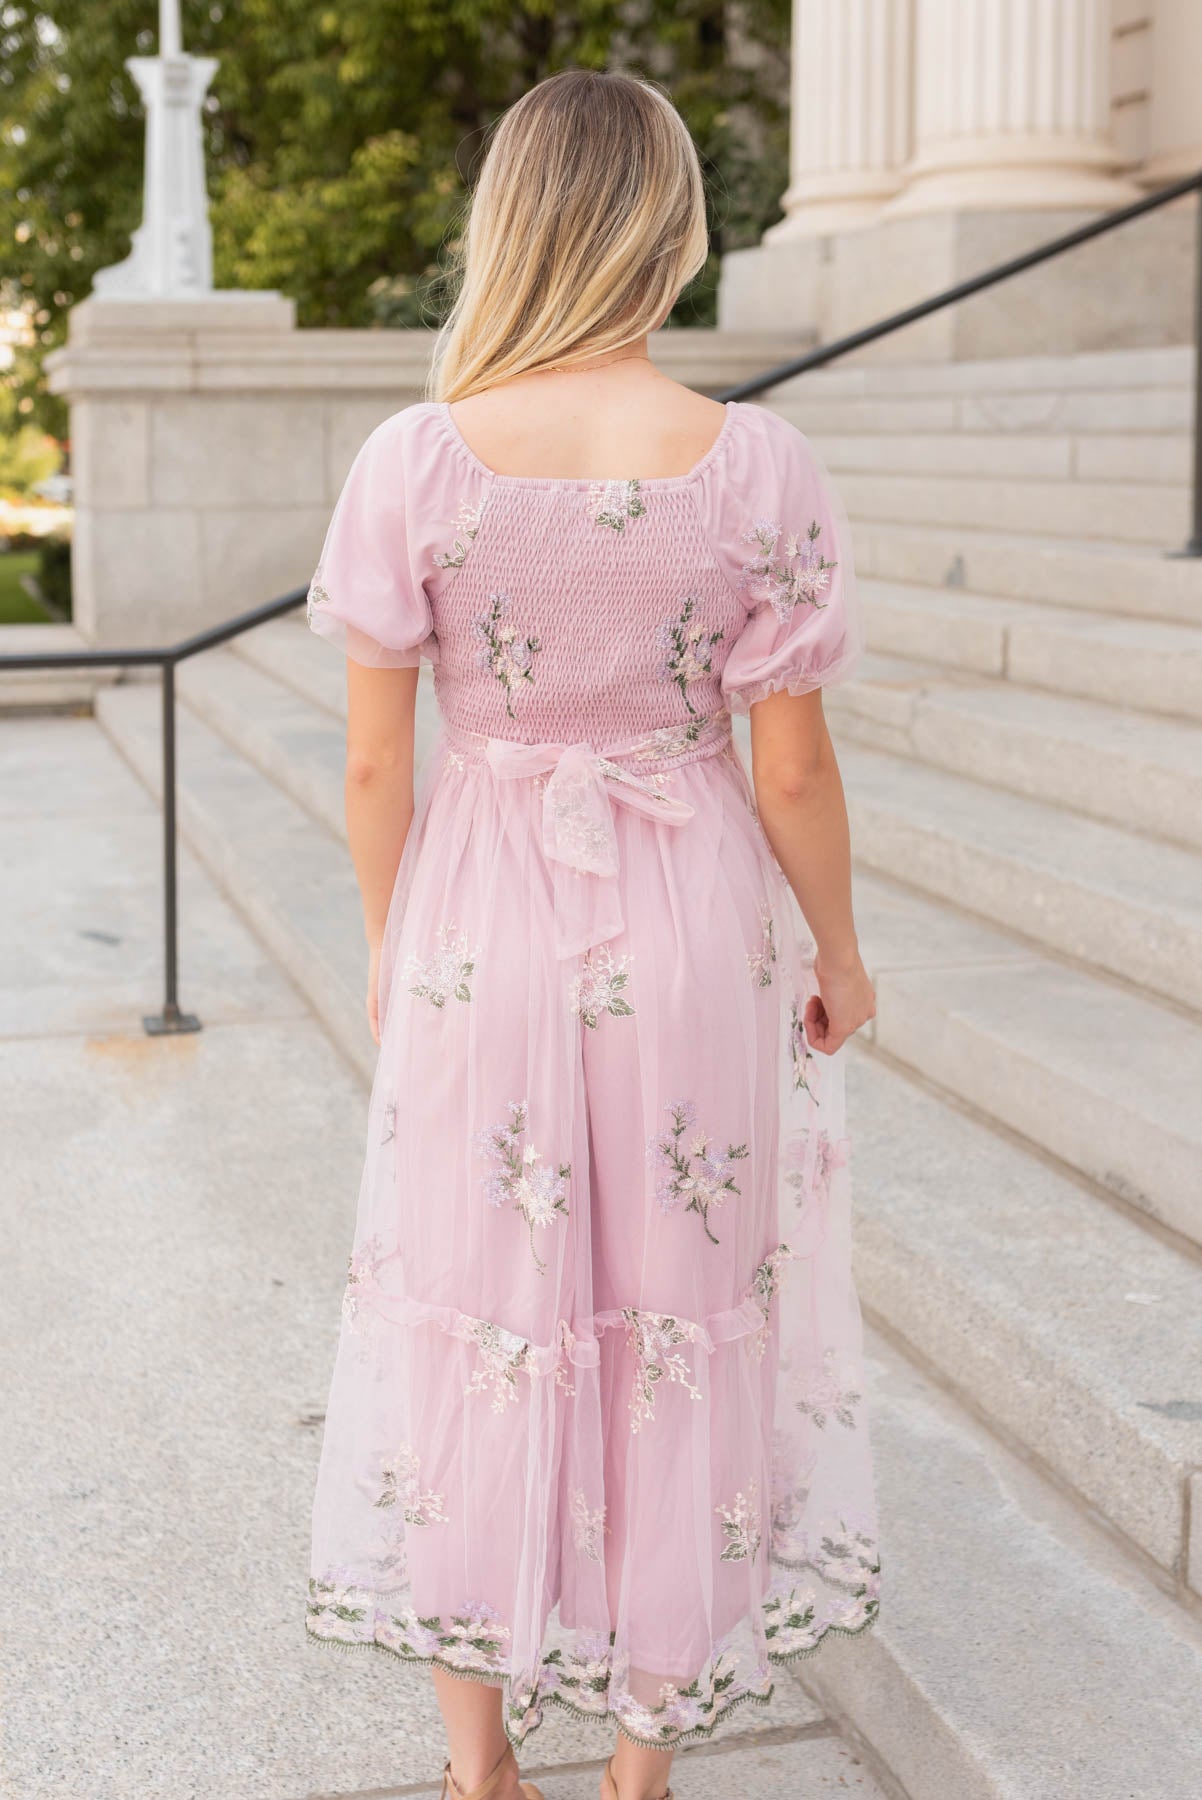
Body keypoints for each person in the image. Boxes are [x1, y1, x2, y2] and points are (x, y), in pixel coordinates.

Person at [303, 67, 880, 1800]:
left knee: (480, 1313)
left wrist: (400, 954)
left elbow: (368, 757)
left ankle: (484, 1768)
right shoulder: (758, 463)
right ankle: (643, 1768)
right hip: (690, 920)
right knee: (686, 1310)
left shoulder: (416, 460)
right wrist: (839, 954)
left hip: (480, 919)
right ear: (669, 222)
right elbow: (789, 770)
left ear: (513, 221)